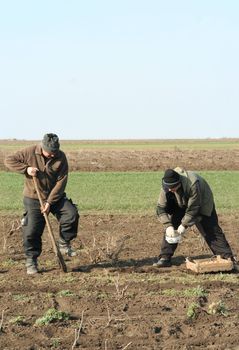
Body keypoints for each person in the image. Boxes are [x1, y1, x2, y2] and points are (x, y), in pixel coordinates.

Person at [5, 133, 79, 275]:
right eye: (50, 152)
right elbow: (9, 160)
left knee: (71, 214)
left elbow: (61, 181)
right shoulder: (29, 152)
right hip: (33, 197)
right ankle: (31, 260)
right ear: (42, 147)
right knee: (32, 230)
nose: (52, 155)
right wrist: (26, 169)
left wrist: (49, 202)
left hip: (54, 197)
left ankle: (64, 242)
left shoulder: (61, 157)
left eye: (55, 152)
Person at [154, 167, 237, 269]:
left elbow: (194, 208)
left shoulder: (193, 183)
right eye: (168, 187)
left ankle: (228, 259)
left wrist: (184, 225)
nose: (170, 189)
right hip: (180, 203)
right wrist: (168, 226)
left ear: (179, 182)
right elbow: (160, 208)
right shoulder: (166, 186)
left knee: (211, 230)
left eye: (173, 187)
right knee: (173, 227)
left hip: (202, 203)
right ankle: (165, 258)